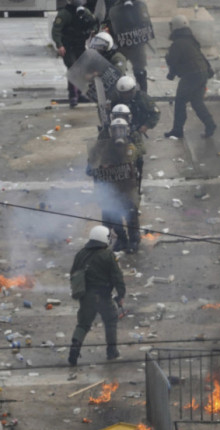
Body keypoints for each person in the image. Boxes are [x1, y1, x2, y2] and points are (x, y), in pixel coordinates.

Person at [68, 225, 125, 366]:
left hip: (85, 296)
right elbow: (117, 277)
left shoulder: (81, 254)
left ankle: (75, 347)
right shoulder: (108, 255)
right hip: (103, 297)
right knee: (111, 321)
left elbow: (73, 274)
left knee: (83, 324)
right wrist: (121, 295)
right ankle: (112, 352)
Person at [87, 118, 141, 253]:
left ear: (126, 131)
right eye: (115, 130)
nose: (118, 133)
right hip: (110, 186)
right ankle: (121, 238)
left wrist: (113, 163)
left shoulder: (130, 147)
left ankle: (134, 240)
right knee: (112, 215)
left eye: (121, 130)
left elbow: (130, 159)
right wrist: (95, 165)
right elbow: (93, 159)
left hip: (127, 186)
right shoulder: (104, 145)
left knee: (130, 214)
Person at [164, 15, 217, 139]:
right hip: (201, 73)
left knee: (180, 102)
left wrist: (171, 75)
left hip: (191, 75)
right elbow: (200, 56)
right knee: (197, 102)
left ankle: (177, 130)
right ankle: (210, 124)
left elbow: (173, 62)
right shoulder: (191, 39)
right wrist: (208, 70)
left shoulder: (177, 44)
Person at [51, 0, 99, 107]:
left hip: (80, 45)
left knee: (82, 68)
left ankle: (79, 93)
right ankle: (73, 95)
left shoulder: (85, 11)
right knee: (73, 68)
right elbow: (56, 30)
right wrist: (60, 45)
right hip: (68, 47)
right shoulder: (64, 14)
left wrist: (93, 31)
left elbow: (94, 22)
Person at [105, 0, 152, 92]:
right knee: (121, 69)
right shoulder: (115, 9)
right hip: (125, 44)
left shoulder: (139, 6)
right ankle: (124, 91)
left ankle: (142, 94)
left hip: (134, 44)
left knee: (139, 71)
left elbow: (146, 23)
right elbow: (110, 24)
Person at [112, 75, 160, 150]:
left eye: (128, 93)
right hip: (119, 128)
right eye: (123, 93)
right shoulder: (115, 99)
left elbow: (155, 113)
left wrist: (146, 125)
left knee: (137, 150)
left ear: (133, 90)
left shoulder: (142, 98)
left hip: (136, 128)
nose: (125, 96)